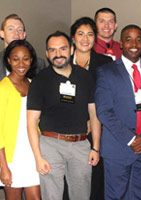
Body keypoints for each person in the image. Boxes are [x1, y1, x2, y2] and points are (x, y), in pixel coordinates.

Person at [95, 24, 141, 200]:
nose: (134, 43)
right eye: (128, 39)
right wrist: (132, 140)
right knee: (116, 196)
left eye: (138, 39)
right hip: (118, 148)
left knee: (139, 196)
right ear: (121, 44)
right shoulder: (106, 72)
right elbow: (104, 111)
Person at [27, 31, 101, 200]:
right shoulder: (40, 80)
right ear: (47, 53)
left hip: (80, 144)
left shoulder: (85, 77)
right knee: (52, 196)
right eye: (52, 50)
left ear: (71, 49)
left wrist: (95, 147)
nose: (58, 54)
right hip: (50, 145)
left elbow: (94, 114)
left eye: (62, 49)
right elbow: (31, 122)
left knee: (82, 195)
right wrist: (38, 157)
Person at [70, 17, 112, 200]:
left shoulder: (105, 63)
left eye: (90, 34)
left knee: (95, 181)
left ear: (95, 38)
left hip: (97, 129)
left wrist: (93, 120)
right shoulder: (62, 60)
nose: (85, 39)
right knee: (70, 181)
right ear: (73, 37)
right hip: (67, 129)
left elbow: (110, 98)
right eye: (80, 34)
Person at [0, 39, 40, 199]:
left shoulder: (33, 85)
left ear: (31, 60)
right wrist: (3, 166)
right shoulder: (3, 88)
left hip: (32, 153)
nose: (21, 63)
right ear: (9, 61)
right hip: (11, 157)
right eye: (15, 59)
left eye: (25, 58)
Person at [0, 14, 45, 81]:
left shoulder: (38, 64)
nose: (16, 33)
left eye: (20, 29)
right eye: (11, 29)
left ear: (24, 35)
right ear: (2, 34)